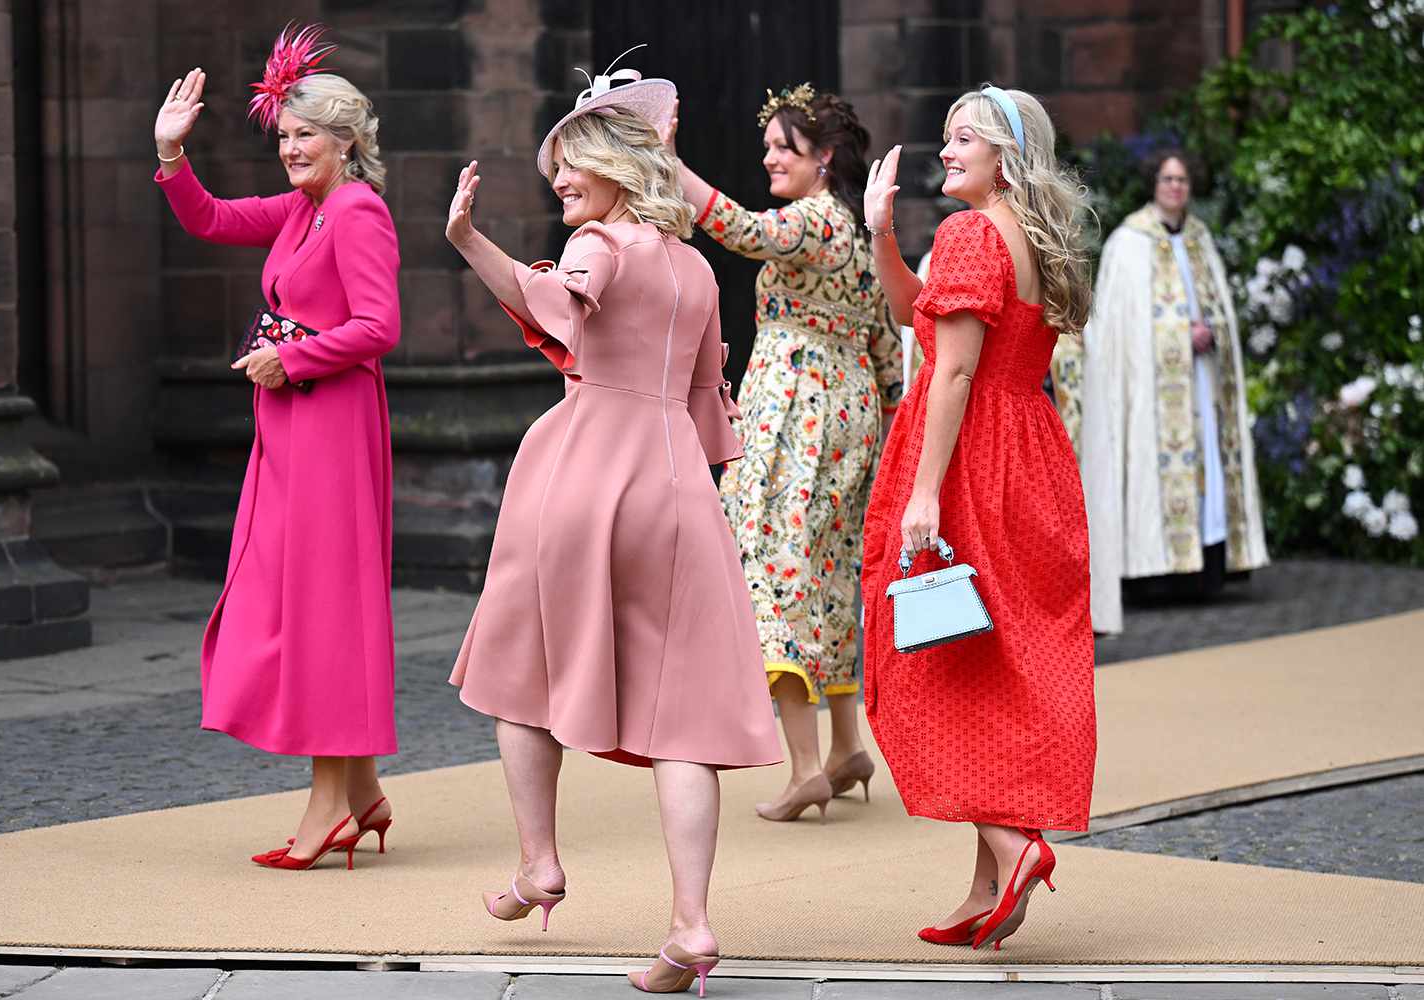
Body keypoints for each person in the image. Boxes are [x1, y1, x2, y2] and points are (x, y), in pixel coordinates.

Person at [445, 58, 781, 995]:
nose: (558, 180)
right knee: (685, 721)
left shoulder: (602, 243)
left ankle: (539, 863)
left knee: (520, 669)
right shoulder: (697, 269)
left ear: (616, 171)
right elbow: (713, 400)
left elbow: (557, 299)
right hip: (678, 482)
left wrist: (469, 240)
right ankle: (692, 925)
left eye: (571, 164)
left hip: (585, 467)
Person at [152, 26, 400, 871]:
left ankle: (331, 804)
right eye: (285, 135)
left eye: (307, 136)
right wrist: (171, 155)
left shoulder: (358, 208)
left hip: (330, 424)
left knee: (324, 604)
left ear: (347, 142)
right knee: (297, 596)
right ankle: (357, 790)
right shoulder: (303, 208)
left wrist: (288, 357)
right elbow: (214, 219)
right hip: (292, 423)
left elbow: (379, 327)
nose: (291, 148)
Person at [860, 85, 1097, 951]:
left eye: (965, 138)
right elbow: (914, 313)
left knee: (923, 663)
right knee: (991, 668)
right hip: (1031, 456)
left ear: (1005, 156)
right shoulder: (1022, 235)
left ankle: (1010, 845)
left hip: (970, 461)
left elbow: (952, 372)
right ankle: (986, 881)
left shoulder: (969, 233)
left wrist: (924, 492)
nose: (946, 147)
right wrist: (881, 231)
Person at [662, 84, 906, 822]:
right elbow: (887, 353)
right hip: (850, 410)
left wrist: (669, 162)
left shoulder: (812, 222)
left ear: (823, 158)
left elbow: (740, 230)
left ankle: (804, 767)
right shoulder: (855, 237)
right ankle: (844, 747)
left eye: (783, 147)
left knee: (769, 564)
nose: (768, 156)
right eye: (767, 144)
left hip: (796, 410)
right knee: (826, 568)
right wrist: (888, 430)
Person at [1054, 149, 1269, 634]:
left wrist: (1210, 330)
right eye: (1168, 179)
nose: (1176, 187)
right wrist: (1178, 336)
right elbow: (1118, 331)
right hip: (1150, 393)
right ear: (1154, 183)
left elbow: (1220, 311)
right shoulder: (1129, 243)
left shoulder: (1199, 240)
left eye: (1183, 180)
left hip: (1200, 384)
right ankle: (1154, 574)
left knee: (1208, 470)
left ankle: (1206, 567)